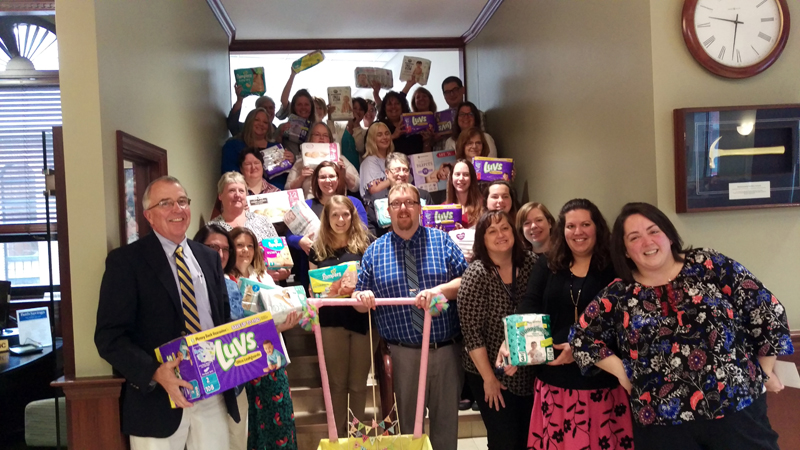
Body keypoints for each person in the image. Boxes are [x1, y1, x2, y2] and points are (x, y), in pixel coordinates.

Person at [570, 202, 792, 450]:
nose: (647, 241)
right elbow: (582, 338)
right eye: (634, 237)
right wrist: (622, 371)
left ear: (669, 235)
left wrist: (765, 369)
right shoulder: (620, 293)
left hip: (735, 410)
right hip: (662, 424)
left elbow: (765, 307)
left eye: (653, 231)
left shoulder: (708, 265)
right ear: (624, 251)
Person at [95, 176, 239, 450]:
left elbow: (222, 320)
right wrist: (155, 372)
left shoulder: (208, 258)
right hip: (157, 399)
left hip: (212, 393)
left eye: (182, 201)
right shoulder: (126, 262)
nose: (177, 209)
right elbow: (109, 337)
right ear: (149, 215)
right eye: (166, 203)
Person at [502, 198, 633, 450]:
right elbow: (530, 304)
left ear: (598, 227)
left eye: (585, 224)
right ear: (562, 229)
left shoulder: (616, 266)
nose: (578, 232)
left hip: (602, 380)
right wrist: (510, 340)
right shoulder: (548, 263)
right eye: (571, 226)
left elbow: (625, 319)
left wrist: (581, 350)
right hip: (554, 380)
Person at [353, 183, 468, 450]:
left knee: (445, 429)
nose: (403, 208)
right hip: (402, 354)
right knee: (407, 433)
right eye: (396, 203)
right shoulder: (374, 251)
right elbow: (359, 300)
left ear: (419, 208)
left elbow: (466, 281)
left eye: (409, 202)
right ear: (388, 210)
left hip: (445, 351)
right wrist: (363, 299)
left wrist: (438, 290)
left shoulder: (442, 241)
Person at [457, 210, 537, 450]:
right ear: (482, 238)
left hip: (528, 367)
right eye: (492, 231)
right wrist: (489, 379)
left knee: (527, 439)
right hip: (490, 371)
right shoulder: (476, 274)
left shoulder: (532, 264)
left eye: (505, 228)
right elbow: (472, 335)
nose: (500, 234)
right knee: (504, 440)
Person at [225, 229, 300, 450]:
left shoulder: (263, 277)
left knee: (280, 420)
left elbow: (280, 309)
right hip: (243, 361)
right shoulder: (223, 280)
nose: (245, 250)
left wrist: (291, 315)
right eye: (239, 245)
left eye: (250, 245)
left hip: (271, 358)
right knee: (252, 425)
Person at [308, 195, 373, 435]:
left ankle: (356, 437)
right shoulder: (317, 249)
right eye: (334, 214)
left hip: (362, 321)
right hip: (330, 323)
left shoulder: (366, 244)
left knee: (357, 385)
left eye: (345, 214)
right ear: (326, 218)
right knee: (336, 384)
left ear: (352, 215)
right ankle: (338, 437)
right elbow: (312, 289)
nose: (340, 219)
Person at [193, 224, 247, 450]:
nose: (220, 255)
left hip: (234, 373)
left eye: (226, 249)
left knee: (237, 439)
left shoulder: (232, 283)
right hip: (200, 374)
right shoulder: (190, 280)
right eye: (213, 247)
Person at [208, 172, 289, 284]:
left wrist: (283, 271)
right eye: (232, 190)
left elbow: (280, 257)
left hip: (265, 287)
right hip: (228, 289)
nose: (237, 195)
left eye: (241, 191)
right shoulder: (213, 229)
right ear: (220, 195)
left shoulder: (263, 221)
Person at [364, 152, 434, 237]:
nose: (402, 174)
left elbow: (433, 222)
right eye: (397, 170)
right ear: (387, 173)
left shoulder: (423, 196)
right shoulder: (376, 199)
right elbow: (372, 231)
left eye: (405, 170)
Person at [221, 108, 295, 186]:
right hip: (243, 192)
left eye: (265, 122)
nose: (261, 124)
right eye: (256, 120)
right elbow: (229, 175)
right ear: (249, 122)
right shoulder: (232, 146)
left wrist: (290, 162)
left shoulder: (276, 147)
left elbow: (285, 178)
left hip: (275, 193)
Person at [285, 122, 360, 199]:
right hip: (311, 205)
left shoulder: (340, 159)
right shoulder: (301, 162)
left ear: (330, 139)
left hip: (337, 205)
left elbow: (356, 186)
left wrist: (344, 174)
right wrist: (301, 178)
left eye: (325, 135)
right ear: (310, 138)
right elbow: (287, 189)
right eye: (317, 134)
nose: (321, 138)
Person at [210, 147, 281, 220]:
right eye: (248, 164)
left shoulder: (276, 192)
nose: (253, 167)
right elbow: (225, 217)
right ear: (241, 169)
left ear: (262, 166)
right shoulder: (234, 193)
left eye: (256, 163)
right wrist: (237, 211)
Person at [378, 90, 428, 156]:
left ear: (402, 107)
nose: (393, 107)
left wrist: (427, 142)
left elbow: (424, 154)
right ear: (384, 108)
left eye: (397, 103)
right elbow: (371, 148)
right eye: (389, 104)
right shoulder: (378, 126)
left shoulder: (414, 124)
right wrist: (393, 136)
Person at [359, 122, 395, 200]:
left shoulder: (395, 159)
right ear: (372, 139)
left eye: (387, 133)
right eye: (379, 135)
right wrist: (396, 177)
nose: (384, 137)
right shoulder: (369, 162)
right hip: (378, 209)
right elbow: (374, 190)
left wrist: (384, 182)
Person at [445, 160, 484, 228]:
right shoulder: (443, 208)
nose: (461, 178)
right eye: (457, 174)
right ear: (451, 178)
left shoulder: (483, 205)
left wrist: (465, 233)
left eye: (466, 174)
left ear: (472, 178)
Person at [341, 97, 369, 166]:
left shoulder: (365, 132)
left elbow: (361, 149)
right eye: (355, 108)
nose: (357, 111)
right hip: (341, 166)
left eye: (361, 109)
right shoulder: (339, 127)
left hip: (357, 169)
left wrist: (356, 124)